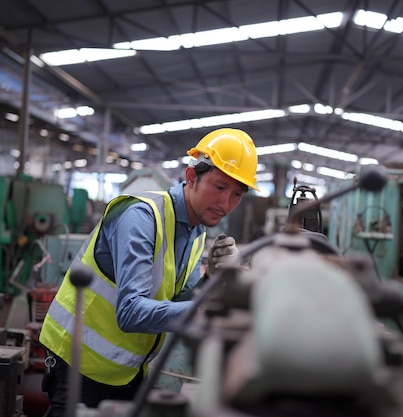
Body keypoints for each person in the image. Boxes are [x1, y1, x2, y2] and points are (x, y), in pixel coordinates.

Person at [39, 127, 259, 416]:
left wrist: (210, 279)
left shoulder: (196, 233)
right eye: (219, 187)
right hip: (79, 366)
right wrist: (211, 309)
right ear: (192, 177)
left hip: (130, 372)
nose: (225, 204)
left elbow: (179, 300)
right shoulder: (142, 218)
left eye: (237, 194)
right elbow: (130, 312)